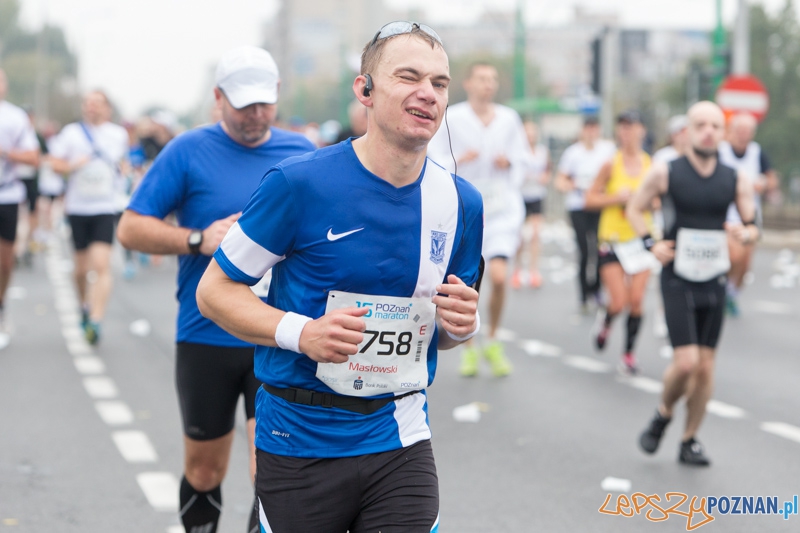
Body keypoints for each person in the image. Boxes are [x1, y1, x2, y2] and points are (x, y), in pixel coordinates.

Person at [196, 22, 483, 532]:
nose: (427, 93)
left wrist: (461, 326)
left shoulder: (463, 203)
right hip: (298, 437)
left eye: (439, 83)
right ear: (365, 90)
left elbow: (441, 331)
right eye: (409, 77)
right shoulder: (297, 183)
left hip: (399, 433)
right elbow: (214, 292)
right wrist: (302, 333)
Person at [117, 46, 314, 533]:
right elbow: (130, 228)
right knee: (206, 469)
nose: (256, 114)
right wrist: (196, 239)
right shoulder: (188, 150)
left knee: (266, 468)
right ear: (218, 98)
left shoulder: (303, 154)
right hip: (206, 333)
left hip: (277, 334)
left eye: (264, 102)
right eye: (244, 103)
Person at [627, 101, 757, 466]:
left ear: (724, 133)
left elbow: (752, 224)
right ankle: (663, 413)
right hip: (677, 277)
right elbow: (635, 209)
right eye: (700, 124)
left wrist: (745, 234)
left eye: (715, 126)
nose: (708, 132)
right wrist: (651, 243)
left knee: (705, 367)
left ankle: (689, 439)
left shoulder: (735, 178)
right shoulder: (666, 172)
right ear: (687, 131)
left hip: (714, 277)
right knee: (686, 363)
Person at [428, 61, 526, 378]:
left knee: (498, 277)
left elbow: (525, 159)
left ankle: (493, 338)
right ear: (468, 83)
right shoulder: (452, 117)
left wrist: (509, 161)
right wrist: (459, 160)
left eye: (492, 78)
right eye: (482, 78)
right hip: (465, 209)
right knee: (467, 283)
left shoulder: (509, 119)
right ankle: (467, 346)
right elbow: (432, 156)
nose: (488, 84)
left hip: (500, 210)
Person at [49, 91, 127, 345]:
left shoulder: (118, 135)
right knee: (81, 269)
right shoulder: (71, 133)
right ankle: (84, 304)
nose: (91, 108)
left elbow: (123, 165)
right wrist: (74, 166)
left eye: (96, 104)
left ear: (107, 108)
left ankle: (95, 319)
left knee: (101, 265)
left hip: (105, 207)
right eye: (87, 104)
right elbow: (54, 164)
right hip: (78, 208)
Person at [585, 111, 653, 374]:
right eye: (622, 128)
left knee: (636, 300)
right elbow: (590, 199)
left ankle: (628, 354)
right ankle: (607, 321)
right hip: (612, 239)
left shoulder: (651, 165)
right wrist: (617, 198)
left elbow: (659, 200)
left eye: (631, 127)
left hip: (640, 238)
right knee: (619, 302)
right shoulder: (610, 165)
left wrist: (643, 200)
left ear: (642, 131)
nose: (626, 133)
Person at [555, 116, 616, 314]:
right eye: (587, 129)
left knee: (600, 249)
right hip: (578, 206)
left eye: (594, 128)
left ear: (598, 130)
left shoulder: (608, 150)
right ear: (583, 131)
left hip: (599, 206)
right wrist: (571, 186)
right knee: (584, 252)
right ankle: (583, 296)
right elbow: (560, 180)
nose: (591, 132)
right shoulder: (573, 153)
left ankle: (596, 290)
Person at [718, 113, 777, 317]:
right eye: (739, 130)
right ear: (731, 131)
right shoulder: (720, 151)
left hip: (749, 215)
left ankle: (731, 294)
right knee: (733, 255)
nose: (743, 135)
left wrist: (764, 184)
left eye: (747, 131)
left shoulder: (757, 152)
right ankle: (721, 291)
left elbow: (772, 179)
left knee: (745, 264)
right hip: (726, 215)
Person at [0, 68, 40, 345]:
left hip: (6, 195)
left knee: (4, 261)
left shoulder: (14, 117)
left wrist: (5, 152)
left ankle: (1, 304)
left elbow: (33, 157)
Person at [511, 119, 550, 289]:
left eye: (533, 133)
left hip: (537, 196)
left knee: (535, 234)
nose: (531, 136)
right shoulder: (518, 152)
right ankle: (518, 270)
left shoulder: (542, 151)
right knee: (520, 237)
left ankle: (534, 271)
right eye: (527, 133)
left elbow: (548, 170)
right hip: (521, 196)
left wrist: (544, 178)